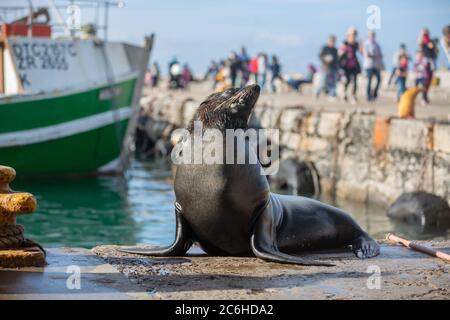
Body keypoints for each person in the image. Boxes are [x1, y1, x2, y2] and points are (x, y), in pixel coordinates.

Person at [338, 27, 361, 104]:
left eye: (354, 34)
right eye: (352, 34)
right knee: (347, 81)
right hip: (346, 66)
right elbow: (340, 54)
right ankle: (344, 94)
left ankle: (353, 96)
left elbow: (361, 52)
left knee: (354, 81)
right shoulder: (345, 44)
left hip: (354, 65)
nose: (353, 36)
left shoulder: (356, 44)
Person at [362, 30, 383, 102]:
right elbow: (367, 55)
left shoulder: (377, 44)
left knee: (379, 79)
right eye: (371, 35)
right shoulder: (366, 44)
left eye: (373, 35)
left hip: (376, 65)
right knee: (369, 80)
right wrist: (375, 56)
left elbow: (380, 54)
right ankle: (368, 96)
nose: (372, 36)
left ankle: (374, 94)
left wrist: (376, 57)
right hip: (368, 65)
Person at [315, 35, 338, 99]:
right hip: (325, 68)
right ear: (328, 41)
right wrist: (326, 59)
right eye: (331, 40)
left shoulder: (335, 49)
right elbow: (320, 56)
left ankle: (332, 95)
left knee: (333, 83)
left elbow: (337, 59)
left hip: (333, 68)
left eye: (333, 41)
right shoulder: (325, 48)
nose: (332, 42)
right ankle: (316, 92)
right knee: (322, 82)